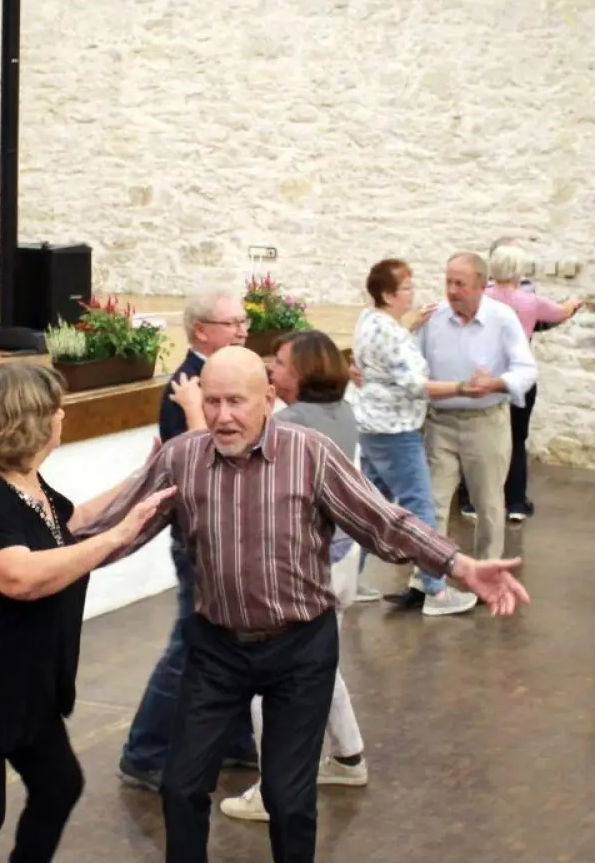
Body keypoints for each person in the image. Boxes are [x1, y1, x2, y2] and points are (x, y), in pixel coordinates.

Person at [74, 346, 529, 863]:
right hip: (217, 649)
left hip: (299, 651)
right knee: (180, 787)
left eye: (237, 402)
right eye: (213, 401)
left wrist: (459, 566)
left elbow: (384, 522)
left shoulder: (309, 454)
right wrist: (40, 556)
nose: (223, 416)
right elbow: (118, 525)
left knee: (288, 801)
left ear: (268, 398)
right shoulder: (182, 458)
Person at [0, 361, 176, 863]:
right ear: (29, 420)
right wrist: (118, 537)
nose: (63, 417)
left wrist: (145, 478)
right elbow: (19, 577)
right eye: (54, 409)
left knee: (58, 785)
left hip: (25, 684)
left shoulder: (26, 483)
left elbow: (76, 521)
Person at [165, 331, 368, 821]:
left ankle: (277, 782)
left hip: (303, 577)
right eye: (215, 401)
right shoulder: (341, 414)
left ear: (275, 393)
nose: (275, 368)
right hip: (335, 561)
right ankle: (348, 754)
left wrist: (195, 411)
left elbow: (222, 444)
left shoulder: (298, 435)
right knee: (320, 677)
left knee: (282, 703)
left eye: (280, 364)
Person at [117, 289, 257, 792]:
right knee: (190, 646)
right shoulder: (188, 387)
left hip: (219, 534)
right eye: (232, 322)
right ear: (201, 330)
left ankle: (238, 739)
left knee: (232, 640)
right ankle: (146, 752)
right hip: (201, 536)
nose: (243, 329)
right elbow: (201, 469)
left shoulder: (208, 383)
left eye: (243, 320)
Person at [350, 258, 479, 615]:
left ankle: (346, 580)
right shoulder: (390, 332)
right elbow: (415, 385)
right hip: (396, 432)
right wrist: (464, 387)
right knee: (421, 508)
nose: (413, 293)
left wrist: (408, 325)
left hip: (373, 427)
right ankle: (436, 591)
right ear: (390, 295)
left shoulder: (370, 319)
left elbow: (382, 361)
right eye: (406, 288)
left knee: (366, 511)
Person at [412, 252, 537, 570]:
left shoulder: (503, 318)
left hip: (486, 423)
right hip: (440, 423)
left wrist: (495, 384)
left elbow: (526, 369)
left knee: (489, 504)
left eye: (460, 284)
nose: (452, 290)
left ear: (481, 285)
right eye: (448, 281)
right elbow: (412, 363)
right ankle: (429, 579)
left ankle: (488, 570)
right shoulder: (433, 317)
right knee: (434, 503)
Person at [453, 239, 582, 522]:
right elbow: (561, 312)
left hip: (482, 375)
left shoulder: (480, 297)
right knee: (516, 438)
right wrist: (575, 301)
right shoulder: (530, 301)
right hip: (516, 378)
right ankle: (515, 504)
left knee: (478, 437)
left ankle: (472, 502)